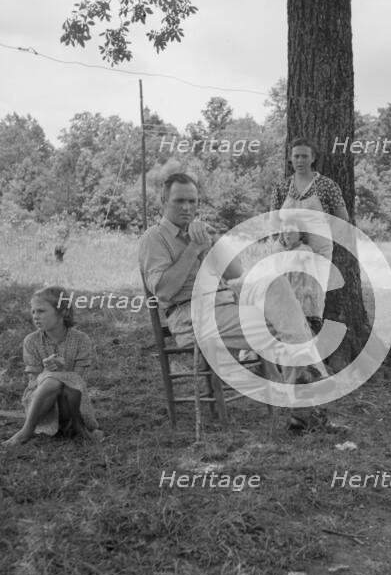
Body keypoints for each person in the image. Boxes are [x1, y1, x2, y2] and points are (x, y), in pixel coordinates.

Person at [138, 173, 332, 410]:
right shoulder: (154, 238)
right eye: (179, 201)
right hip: (191, 315)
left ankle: (304, 382)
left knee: (275, 284)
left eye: (192, 201)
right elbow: (164, 292)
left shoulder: (199, 232)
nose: (187, 207)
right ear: (163, 201)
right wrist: (192, 249)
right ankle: (307, 390)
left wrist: (213, 240)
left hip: (227, 304)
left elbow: (234, 271)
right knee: (286, 321)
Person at [3, 286, 101, 447]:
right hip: (41, 405)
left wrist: (61, 373)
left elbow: (78, 383)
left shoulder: (81, 340)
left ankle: (33, 431)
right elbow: (33, 381)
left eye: (41, 311)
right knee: (51, 381)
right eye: (33, 311)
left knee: (63, 383)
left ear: (63, 312)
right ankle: (28, 430)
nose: (35, 316)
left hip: (71, 402)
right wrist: (48, 372)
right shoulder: (31, 341)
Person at [270, 138, 349, 320]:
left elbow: (343, 220)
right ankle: (287, 341)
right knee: (286, 295)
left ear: (313, 158)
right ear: (290, 158)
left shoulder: (326, 186)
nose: (300, 161)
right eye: (296, 156)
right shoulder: (281, 187)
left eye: (304, 156)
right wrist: (281, 245)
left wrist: (326, 237)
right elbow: (273, 222)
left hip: (318, 249)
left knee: (312, 296)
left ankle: (310, 340)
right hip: (287, 249)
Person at [272, 219, 323, 334]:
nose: (288, 235)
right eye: (285, 231)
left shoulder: (304, 251)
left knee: (302, 323)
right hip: (287, 294)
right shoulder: (284, 253)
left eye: (292, 231)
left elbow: (311, 273)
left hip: (301, 294)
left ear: (301, 234)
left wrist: (308, 290)